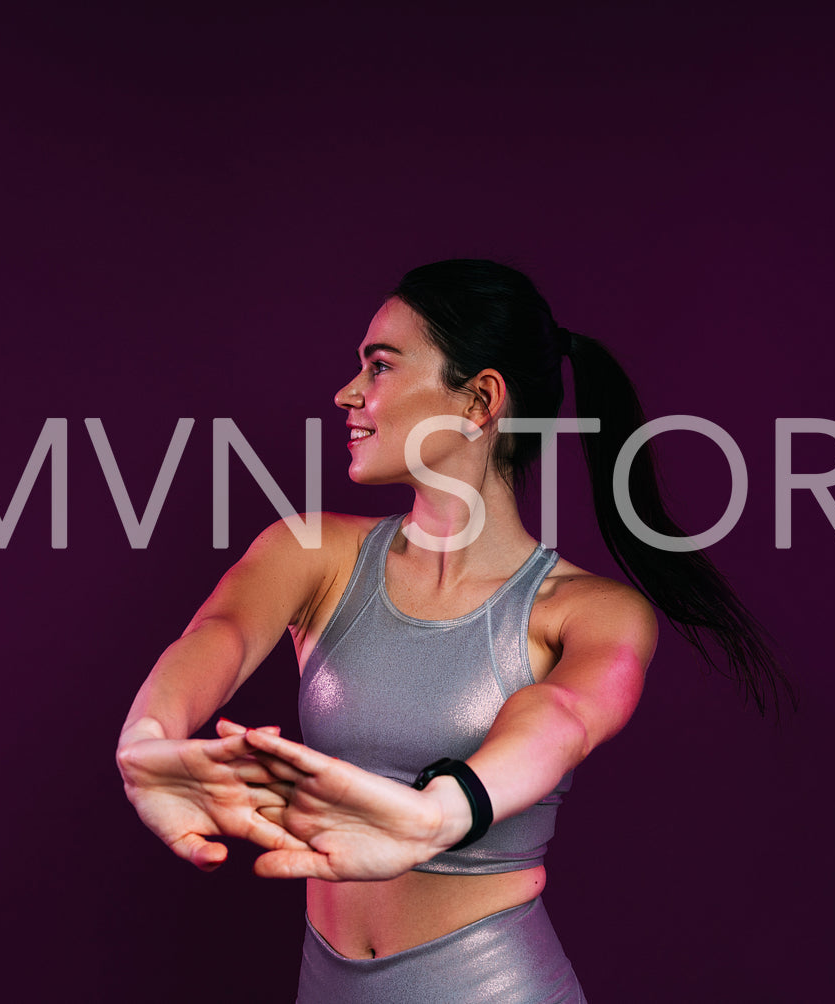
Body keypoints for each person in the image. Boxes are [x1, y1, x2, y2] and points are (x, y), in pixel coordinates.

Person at [116, 259, 796, 1002]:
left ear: (478, 400)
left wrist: (440, 813)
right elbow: (217, 635)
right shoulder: (309, 553)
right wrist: (148, 737)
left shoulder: (590, 611)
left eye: (378, 367)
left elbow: (559, 718)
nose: (347, 394)